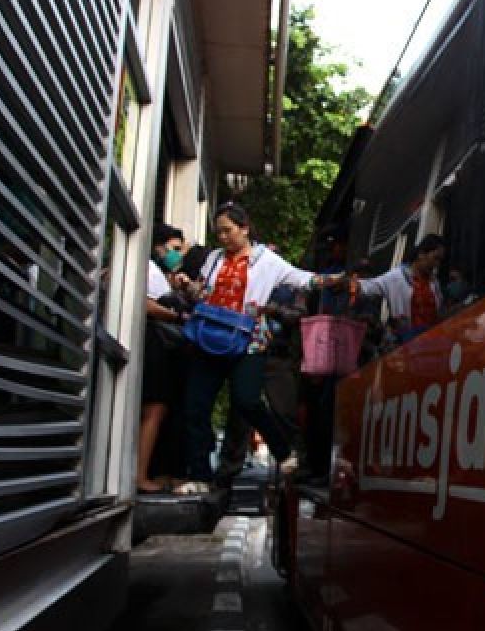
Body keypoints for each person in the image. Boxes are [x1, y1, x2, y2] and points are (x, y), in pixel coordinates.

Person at [173, 202, 345, 493]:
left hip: (249, 340)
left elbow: (305, 280)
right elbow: (202, 293)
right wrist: (187, 286)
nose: (223, 238)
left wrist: (337, 279)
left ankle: (282, 451)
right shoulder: (214, 258)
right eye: (219, 232)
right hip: (210, 337)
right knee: (195, 406)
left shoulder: (268, 261)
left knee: (248, 401)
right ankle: (200, 476)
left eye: (228, 231)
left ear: (245, 228)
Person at [137, 228, 187, 494]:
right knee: (153, 409)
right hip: (147, 344)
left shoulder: (161, 275)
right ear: (157, 247)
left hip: (152, 346)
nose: (176, 254)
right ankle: (140, 476)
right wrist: (176, 317)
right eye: (172, 248)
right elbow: (142, 302)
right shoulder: (142, 266)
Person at [357, 234, 446, 343]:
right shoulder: (397, 277)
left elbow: (439, 314)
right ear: (421, 254)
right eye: (435, 258)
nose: (437, 264)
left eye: (440, 260)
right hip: (406, 345)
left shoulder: (434, 283)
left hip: (430, 344)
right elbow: (367, 286)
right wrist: (345, 283)